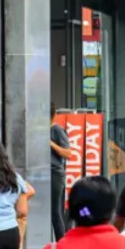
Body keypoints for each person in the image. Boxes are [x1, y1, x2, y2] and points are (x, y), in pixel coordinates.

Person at [50, 103, 72, 241]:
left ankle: (61, 242)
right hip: (45, 173)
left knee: (55, 211)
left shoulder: (57, 130)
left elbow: (68, 153)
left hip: (55, 173)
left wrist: (51, 143)